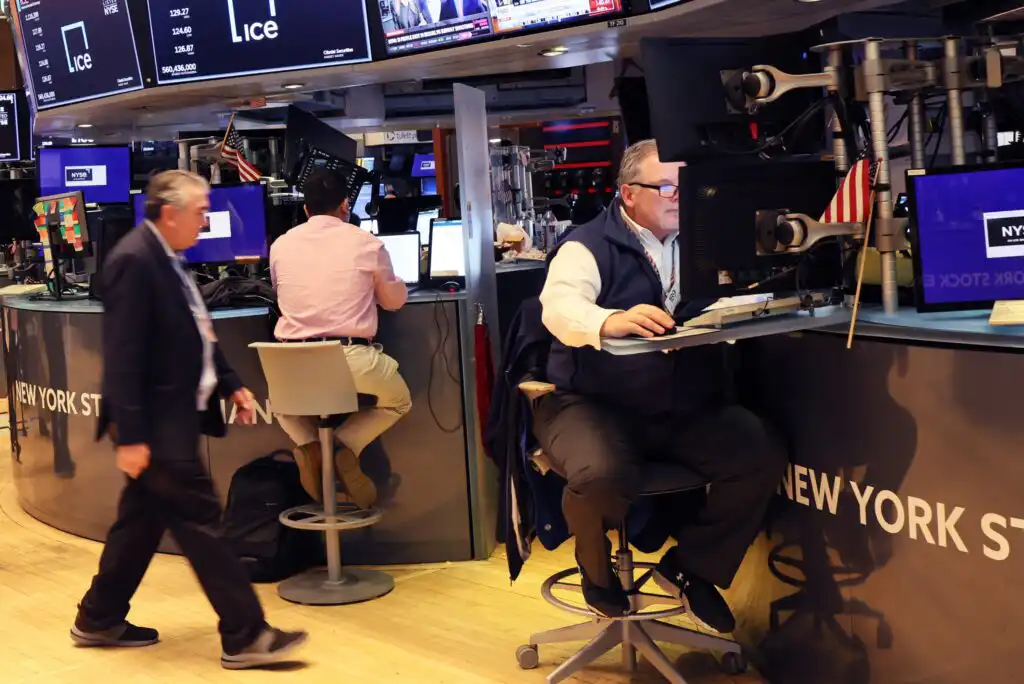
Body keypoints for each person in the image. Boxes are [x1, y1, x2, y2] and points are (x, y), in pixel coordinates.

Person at [537, 140, 787, 632]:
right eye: (666, 187)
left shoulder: (700, 242)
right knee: (600, 473)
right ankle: (594, 567)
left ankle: (693, 569)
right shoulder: (585, 245)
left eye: (684, 187)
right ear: (629, 194)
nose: (679, 196)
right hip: (590, 402)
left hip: (680, 405)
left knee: (759, 452)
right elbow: (559, 307)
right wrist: (610, 320)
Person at [71, 170, 308, 669]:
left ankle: (98, 616)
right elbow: (123, 357)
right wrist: (132, 437)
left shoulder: (166, 257)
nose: (207, 218)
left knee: (140, 521)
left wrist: (230, 383)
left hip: (170, 417)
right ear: (171, 212)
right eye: (201, 211)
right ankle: (246, 636)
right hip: (156, 424)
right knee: (204, 524)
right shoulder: (134, 261)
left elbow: (195, 332)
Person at [271, 169, 412, 509]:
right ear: (346, 205)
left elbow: (280, 294)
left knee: (285, 409)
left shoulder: (280, 245)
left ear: (306, 209)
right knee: (398, 401)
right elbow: (393, 302)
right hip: (349, 360)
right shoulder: (367, 243)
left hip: (289, 364)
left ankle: (311, 447)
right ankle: (343, 448)